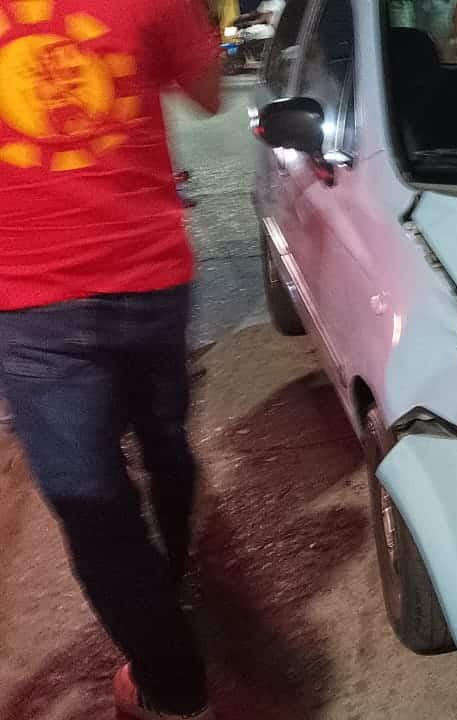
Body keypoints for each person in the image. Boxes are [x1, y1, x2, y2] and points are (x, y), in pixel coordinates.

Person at [0, 0, 222, 718]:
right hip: (149, 278)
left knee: (95, 508)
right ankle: (174, 581)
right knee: (164, 443)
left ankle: (174, 689)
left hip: (31, 298)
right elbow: (208, 92)